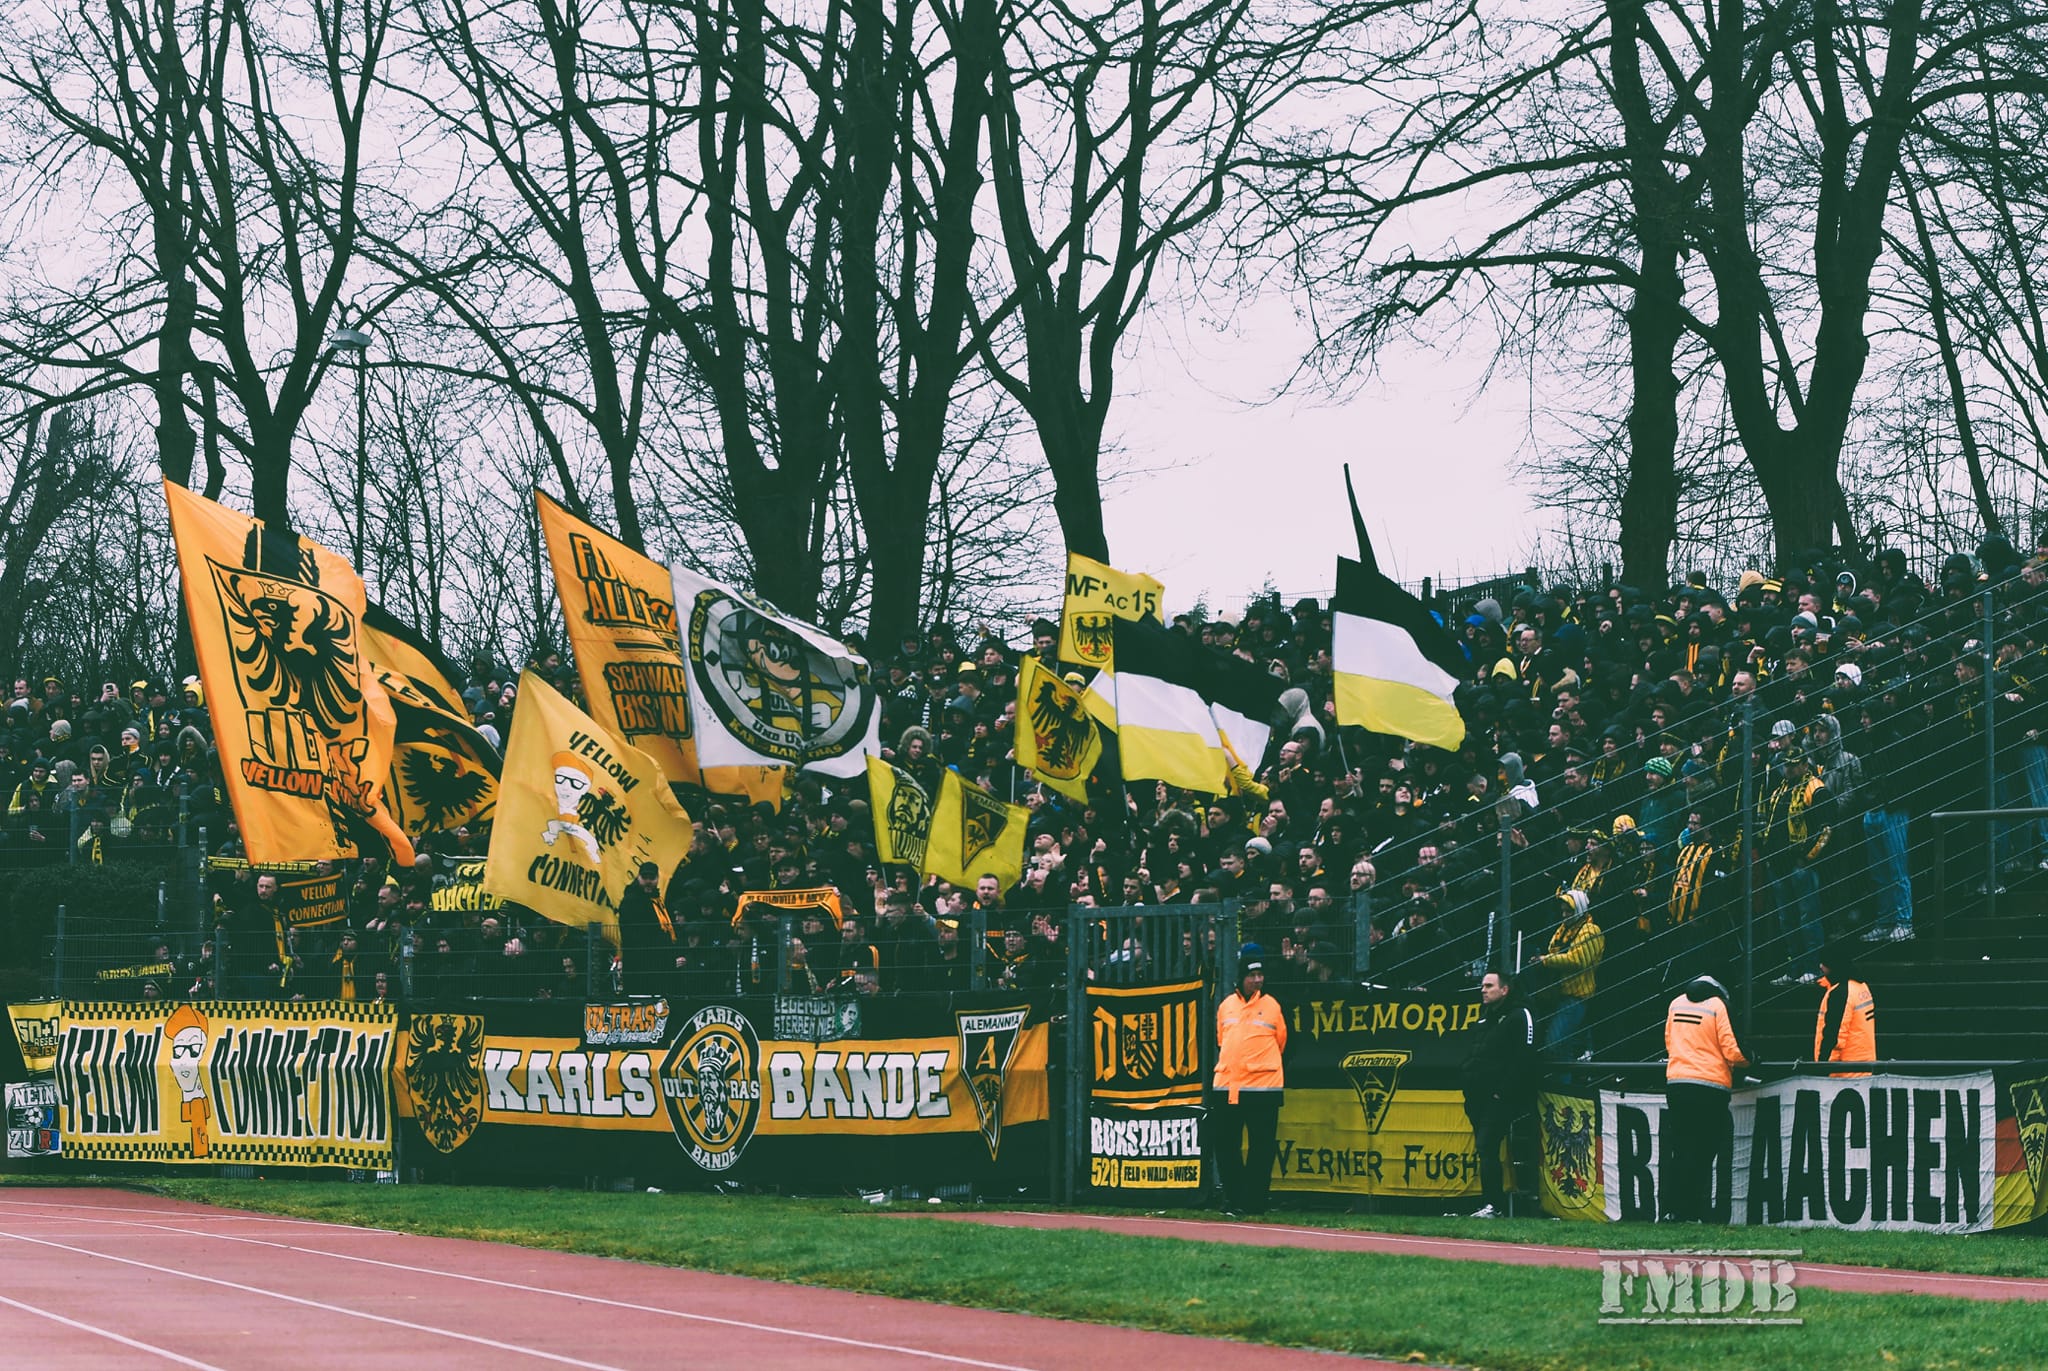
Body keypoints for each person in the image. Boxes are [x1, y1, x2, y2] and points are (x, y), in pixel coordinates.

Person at [1662, 973, 1747, 1223]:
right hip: (1710, 1086)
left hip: (1677, 1083)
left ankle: (1672, 1209)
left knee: (1680, 1149)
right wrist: (1751, 1059)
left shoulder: (1675, 1002)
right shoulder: (1718, 1006)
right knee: (1703, 1151)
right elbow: (1733, 1050)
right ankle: (1695, 1210)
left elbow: (1669, 1041)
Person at [1211, 948, 1287, 1216]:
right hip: (1227, 1088)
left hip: (1263, 1090)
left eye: (1260, 974)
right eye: (1252, 975)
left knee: (1261, 1149)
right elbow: (1221, 1040)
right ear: (1241, 976)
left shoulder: (1273, 1006)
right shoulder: (1226, 1006)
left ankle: (1253, 1201)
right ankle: (1232, 1198)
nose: (1257, 980)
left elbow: (1283, 1042)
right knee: (1226, 1146)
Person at [1460, 969, 1539, 1218]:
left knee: (1487, 1144)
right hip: (1476, 1096)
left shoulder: (1520, 1015)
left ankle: (1494, 1204)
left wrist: (1502, 1093)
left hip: (1501, 1098)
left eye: (1489, 986)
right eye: (1482, 985)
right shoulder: (1486, 1017)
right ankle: (1490, 1204)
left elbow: (1524, 1057)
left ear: (1504, 989)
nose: (1483, 990)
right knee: (1485, 1149)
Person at [615, 862, 679, 997]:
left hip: (658, 965)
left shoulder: (656, 900)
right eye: (645, 877)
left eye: (652, 878)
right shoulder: (631, 901)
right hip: (642, 966)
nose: (648, 881)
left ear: (658, 878)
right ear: (638, 877)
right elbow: (634, 936)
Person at [1813, 943, 1877, 1078]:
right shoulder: (1860, 986)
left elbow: (1834, 1036)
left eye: (1823, 963)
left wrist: (1822, 1068)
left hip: (1843, 1073)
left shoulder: (1840, 993)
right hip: (1862, 1066)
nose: (1820, 966)